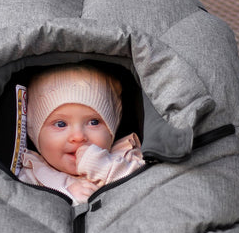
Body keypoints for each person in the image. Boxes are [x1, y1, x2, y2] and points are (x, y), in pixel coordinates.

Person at [19, 64, 145, 203]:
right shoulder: (32, 174)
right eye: (61, 124)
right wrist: (67, 192)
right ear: (35, 135)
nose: (78, 137)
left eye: (94, 122)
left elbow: (145, 188)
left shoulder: (128, 158)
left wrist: (103, 166)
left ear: (112, 130)